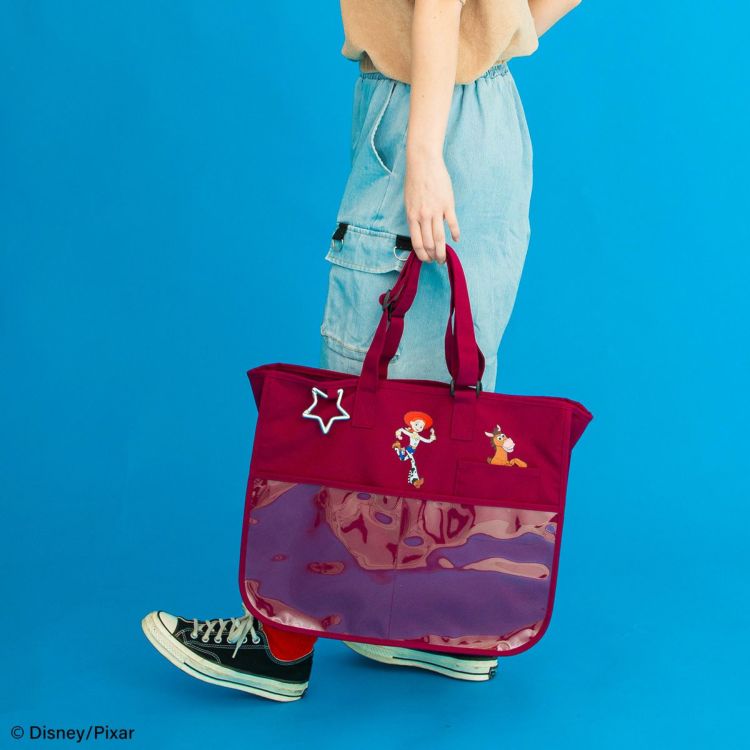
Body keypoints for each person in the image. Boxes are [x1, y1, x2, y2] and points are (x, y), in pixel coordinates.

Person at [142, 0, 582, 702]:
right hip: (493, 118)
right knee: (450, 385)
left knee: (355, 394)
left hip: (421, 110)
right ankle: (441, 625)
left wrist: (424, 150)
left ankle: (281, 644)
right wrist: (496, 37)